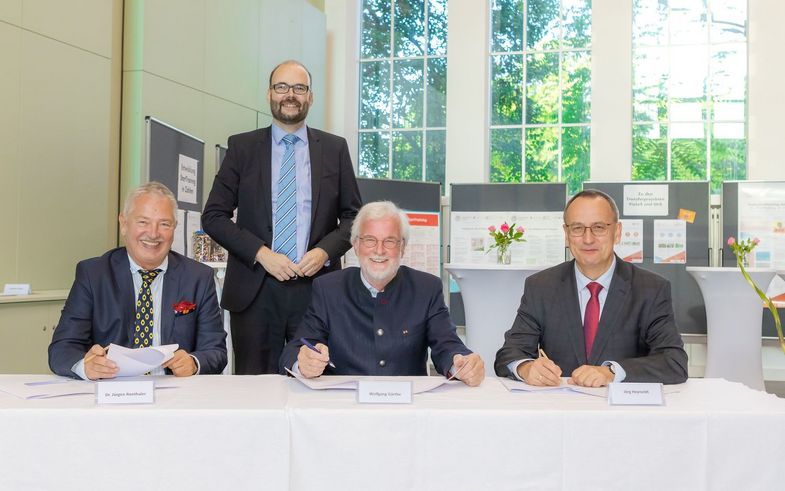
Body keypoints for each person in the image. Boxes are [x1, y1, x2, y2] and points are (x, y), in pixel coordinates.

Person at [202, 60, 361, 375]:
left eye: (299, 88)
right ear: (269, 94)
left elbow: (355, 217)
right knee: (254, 395)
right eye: (282, 87)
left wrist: (324, 252)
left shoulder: (334, 148)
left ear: (310, 97)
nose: (291, 95)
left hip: (316, 290)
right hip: (255, 290)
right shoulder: (242, 147)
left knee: (317, 385)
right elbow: (214, 216)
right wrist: (261, 254)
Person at [495, 189, 688, 387]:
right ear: (566, 234)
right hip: (561, 410)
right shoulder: (541, 286)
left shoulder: (650, 289)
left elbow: (673, 361)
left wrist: (611, 372)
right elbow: (509, 353)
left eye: (599, 227)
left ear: (617, 232)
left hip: (623, 412)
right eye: (577, 228)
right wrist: (526, 367)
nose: (588, 239)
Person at [279, 201, 485, 386]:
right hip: (344, 408)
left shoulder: (427, 288)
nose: (379, 250)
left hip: (407, 407)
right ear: (356, 245)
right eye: (370, 240)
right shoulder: (328, 289)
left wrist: (460, 363)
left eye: (389, 241)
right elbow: (294, 350)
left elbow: (447, 345)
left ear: (402, 247)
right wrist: (303, 361)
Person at [48, 182, 227, 379]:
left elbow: (216, 351)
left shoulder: (198, 277)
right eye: (143, 222)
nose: (153, 233)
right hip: (111, 393)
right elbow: (62, 348)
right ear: (124, 224)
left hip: (175, 394)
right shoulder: (93, 274)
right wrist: (86, 366)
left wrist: (193, 362)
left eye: (164, 224)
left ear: (174, 228)